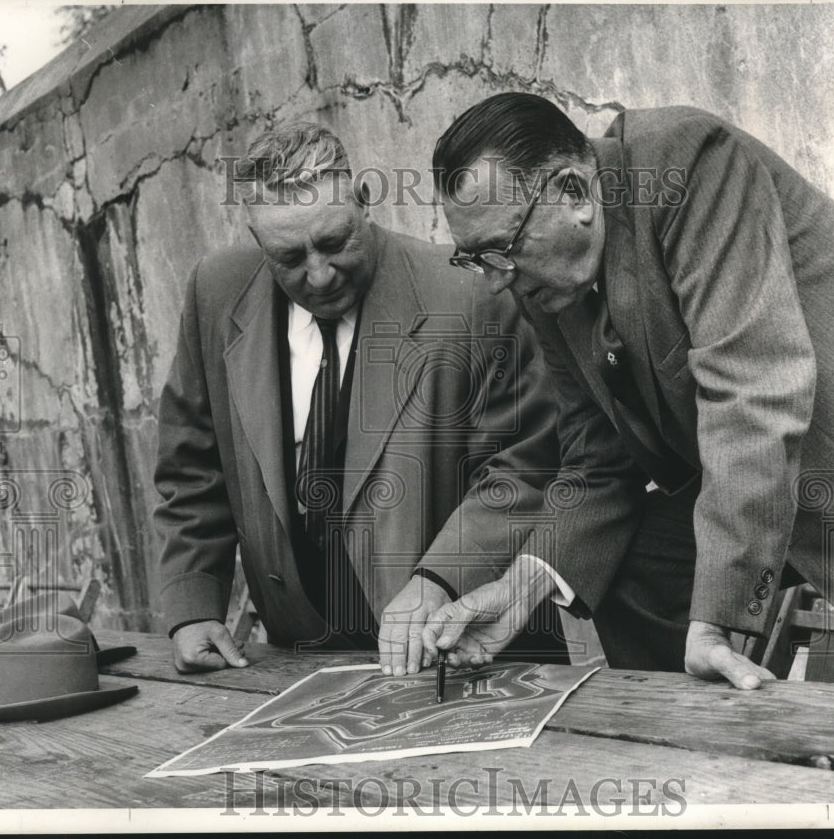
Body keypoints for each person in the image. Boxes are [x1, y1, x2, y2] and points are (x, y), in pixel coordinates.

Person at [420, 92, 834, 689]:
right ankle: (698, 749)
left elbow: (754, 392)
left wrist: (715, 619)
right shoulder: (545, 287)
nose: (494, 280)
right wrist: (516, 593)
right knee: (629, 560)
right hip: (777, 498)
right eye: (475, 259)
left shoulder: (687, 165)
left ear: (573, 193)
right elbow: (595, 461)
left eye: (501, 251)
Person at [154, 122, 566, 674]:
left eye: (333, 242)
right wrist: (192, 605)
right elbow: (191, 467)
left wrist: (441, 577)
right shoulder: (214, 290)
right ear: (257, 242)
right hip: (298, 662)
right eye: (289, 258)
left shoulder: (469, 294)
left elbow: (525, 465)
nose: (319, 276)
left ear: (365, 203)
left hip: (463, 650)